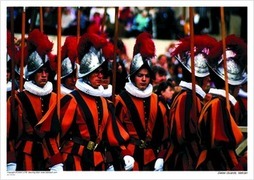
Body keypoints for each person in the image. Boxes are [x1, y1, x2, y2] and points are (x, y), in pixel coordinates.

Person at [58, 32, 134, 171]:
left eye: (102, 72)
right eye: (96, 72)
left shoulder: (105, 103)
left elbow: (113, 133)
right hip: (75, 159)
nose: (100, 76)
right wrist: (55, 161)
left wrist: (124, 153)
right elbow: (54, 133)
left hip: (98, 160)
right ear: (86, 74)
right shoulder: (72, 99)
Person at [7, 29, 63, 171]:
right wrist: (10, 160)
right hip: (25, 155)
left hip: (49, 155)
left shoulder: (56, 98)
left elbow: (56, 134)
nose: (44, 75)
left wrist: (57, 161)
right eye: (39, 71)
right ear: (32, 74)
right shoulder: (17, 99)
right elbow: (9, 133)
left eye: (46, 71)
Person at [115, 32, 169, 171]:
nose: (144, 79)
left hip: (152, 158)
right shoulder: (121, 100)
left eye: (146, 76)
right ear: (133, 77)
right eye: (140, 75)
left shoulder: (158, 101)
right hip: (129, 158)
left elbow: (165, 133)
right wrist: (124, 152)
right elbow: (115, 129)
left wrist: (162, 156)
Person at [164, 34, 218, 170]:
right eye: (206, 76)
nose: (209, 79)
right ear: (198, 78)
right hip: (187, 162)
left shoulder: (191, 96)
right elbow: (186, 137)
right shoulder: (187, 98)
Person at [196, 34, 247, 170]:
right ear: (231, 86)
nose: (239, 89)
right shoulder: (218, 104)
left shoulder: (221, 103)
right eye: (238, 85)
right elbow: (221, 146)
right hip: (215, 165)